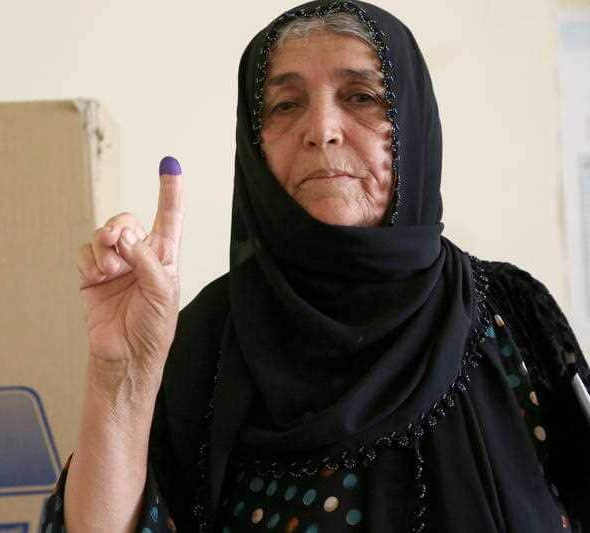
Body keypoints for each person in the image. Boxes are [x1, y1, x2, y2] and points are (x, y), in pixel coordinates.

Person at [42, 0, 590, 531]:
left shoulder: (510, 314)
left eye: (361, 97)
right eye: (285, 105)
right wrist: (122, 379)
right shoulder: (203, 340)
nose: (321, 128)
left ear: (415, 125)